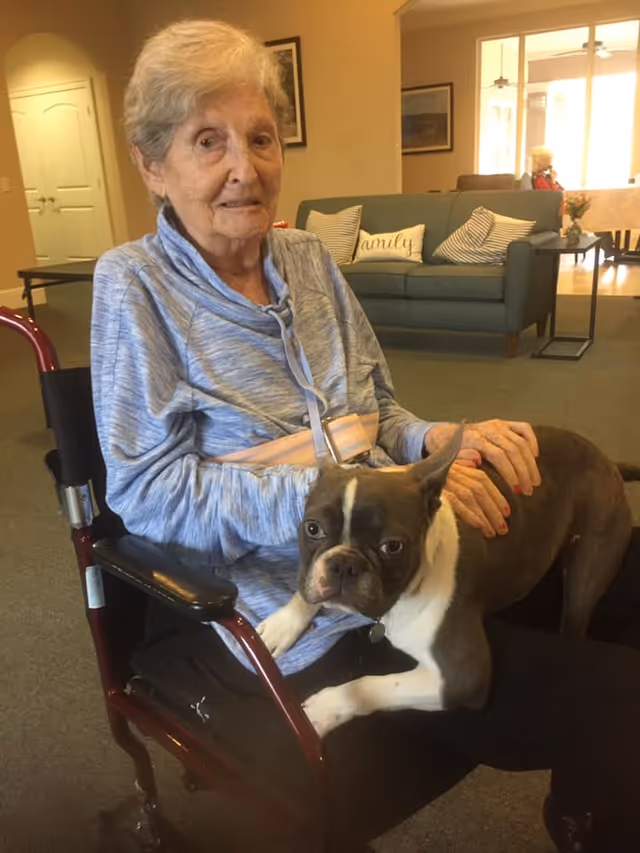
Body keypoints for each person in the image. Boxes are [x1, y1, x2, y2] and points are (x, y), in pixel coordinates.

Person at [91, 20, 640, 852]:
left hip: (407, 545)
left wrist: (437, 442)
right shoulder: (133, 287)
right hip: (316, 611)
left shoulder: (307, 256)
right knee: (620, 700)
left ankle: (586, 802)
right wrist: (335, 490)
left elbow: (378, 409)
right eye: (209, 141)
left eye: (262, 138)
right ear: (151, 164)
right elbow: (147, 491)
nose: (246, 167)